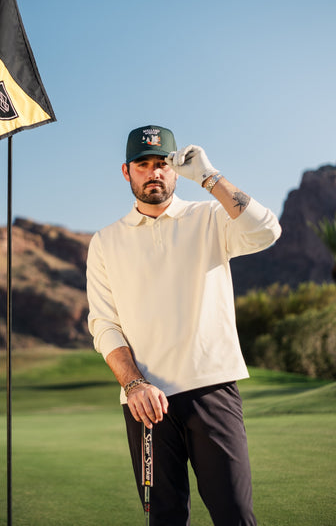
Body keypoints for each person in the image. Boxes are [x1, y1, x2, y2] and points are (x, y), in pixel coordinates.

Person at [86, 125, 281, 526]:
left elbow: (266, 231)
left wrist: (209, 177)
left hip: (213, 389)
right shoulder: (105, 241)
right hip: (146, 403)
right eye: (144, 164)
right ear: (127, 172)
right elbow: (105, 325)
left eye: (163, 164)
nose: (154, 172)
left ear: (175, 170)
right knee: (166, 518)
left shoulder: (210, 216)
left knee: (235, 514)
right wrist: (134, 384)